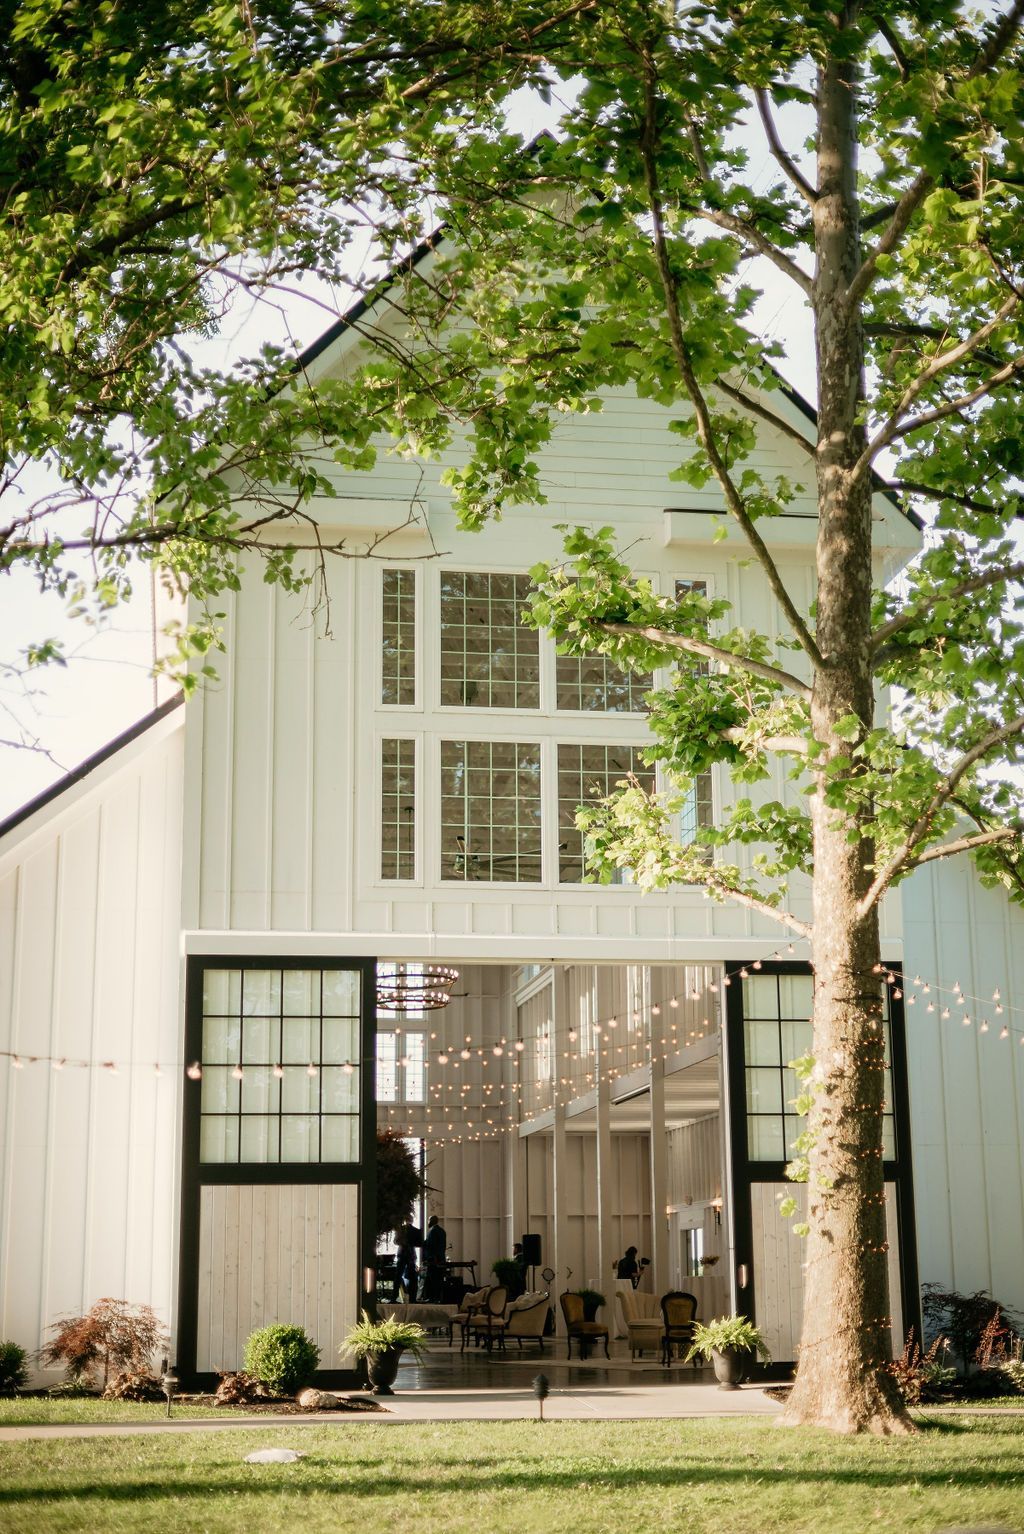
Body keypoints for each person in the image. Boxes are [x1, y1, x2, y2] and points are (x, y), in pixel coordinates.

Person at [421, 1213, 447, 1302]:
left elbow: (430, 1246)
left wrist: (422, 1243)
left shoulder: (432, 1231)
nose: (427, 1222)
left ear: (431, 1221)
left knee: (432, 1280)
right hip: (441, 1260)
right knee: (439, 1280)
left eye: (428, 1220)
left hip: (433, 1261)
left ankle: (431, 1298)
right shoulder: (442, 1231)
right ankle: (439, 1298)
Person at [391, 1223, 419, 1302]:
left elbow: (395, 1241)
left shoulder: (402, 1229)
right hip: (407, 1255)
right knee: (408, 1277)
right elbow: (396, 1241)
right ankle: (411, 1298)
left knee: (402, 1277)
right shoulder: (406, 1230)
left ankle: (396, 1297)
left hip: (406, 1254)